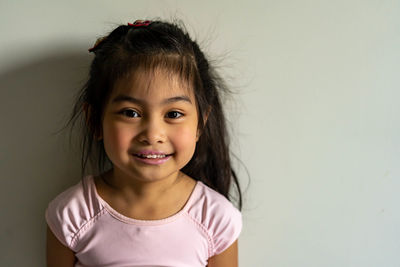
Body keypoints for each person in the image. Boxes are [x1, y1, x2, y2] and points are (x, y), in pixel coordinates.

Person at [46, 19, 243, 267]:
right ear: (95, 120)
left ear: (200, 125)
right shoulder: (72, 214)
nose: (152, 134)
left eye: (173, 114)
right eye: (131, 113)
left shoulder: (215, 219)